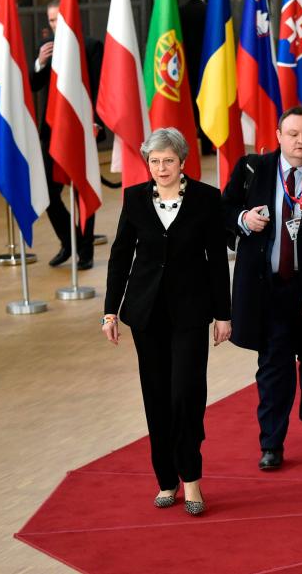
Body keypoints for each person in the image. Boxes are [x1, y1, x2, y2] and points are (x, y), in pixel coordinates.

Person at [102, 127, 232, 516]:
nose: (161, 168)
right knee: (156, 398)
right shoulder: (135, 199)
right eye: (154, 161)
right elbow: (120, 257)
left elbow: (216, 260)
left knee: (186, 395)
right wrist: (110, 311)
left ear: (182, 161)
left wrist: (223, 314)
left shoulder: (207, 199)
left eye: (168, 161)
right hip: (146, 314)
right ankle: (166, 479)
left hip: (191, 313)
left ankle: (191, 477)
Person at [222, 106, 302, 470]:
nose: (300, 142)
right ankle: (271, 443)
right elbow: (224, 209)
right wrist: (243, 220)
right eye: (293, 134)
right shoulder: (252, 169)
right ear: (278, 136)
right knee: (273, 364)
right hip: (269, 287)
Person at [31, 0, 106, 270]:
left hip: (83, 131)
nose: (55, 24)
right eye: (51, 20)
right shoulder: (48, 50)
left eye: (59, 18)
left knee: (82, 191)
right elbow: (33, 84)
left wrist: (97, 123)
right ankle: (69, 240)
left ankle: (85, 253)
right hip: (52, 133)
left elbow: (100, 88)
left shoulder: (90, 46)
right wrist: (39, 62)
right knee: (49, 193)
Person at [179, 0, 214, 157]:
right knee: (206, 105)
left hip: (184, 67)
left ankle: (186, 147)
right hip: (206, 67)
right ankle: (207, 147)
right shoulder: (208, 11)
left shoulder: (180, 11)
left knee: (189, 107)